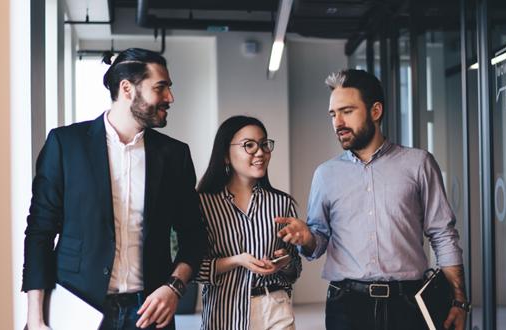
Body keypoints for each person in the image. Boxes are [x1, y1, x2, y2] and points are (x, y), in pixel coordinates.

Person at [22, 48, 206, 330]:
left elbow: (194, 234)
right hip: (78, 309)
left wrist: (174, 287)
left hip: (149, 314)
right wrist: (35, 319)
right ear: (127, 88)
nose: (170, 97)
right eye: (161, 87)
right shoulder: (66, 145)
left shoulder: (174, 156)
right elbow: (40, 232)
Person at [276, 69, 469, 330]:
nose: (338, 122)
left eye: (347, 111)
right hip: (346, 306)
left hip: (409, 304)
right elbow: (318, 241)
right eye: (333, 114)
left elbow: (443, 234)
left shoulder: (418, 164)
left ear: (375, 111)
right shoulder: (325, 174)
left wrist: (459, 300)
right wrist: (306, 238)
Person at [194, 115, 302, 330]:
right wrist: (236, 260)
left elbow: (295, 271)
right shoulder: (202, 204)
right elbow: (193, 270)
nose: (260, 152)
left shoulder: (282, 203)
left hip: (276, 307)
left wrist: (285, 262)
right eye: (249, 146)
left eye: (264, 145)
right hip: (225, 313)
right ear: (226, 155)